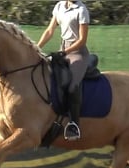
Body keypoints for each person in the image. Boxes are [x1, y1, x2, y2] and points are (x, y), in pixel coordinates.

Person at [37, 0, 90, 141]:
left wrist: (65, 52)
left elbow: (82, 40)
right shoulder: (59, 6)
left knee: (72, 86)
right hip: (63, 50)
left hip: (78, 53)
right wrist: (36, 47)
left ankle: (74, 124)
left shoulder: (81, 10)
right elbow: (49, 31)